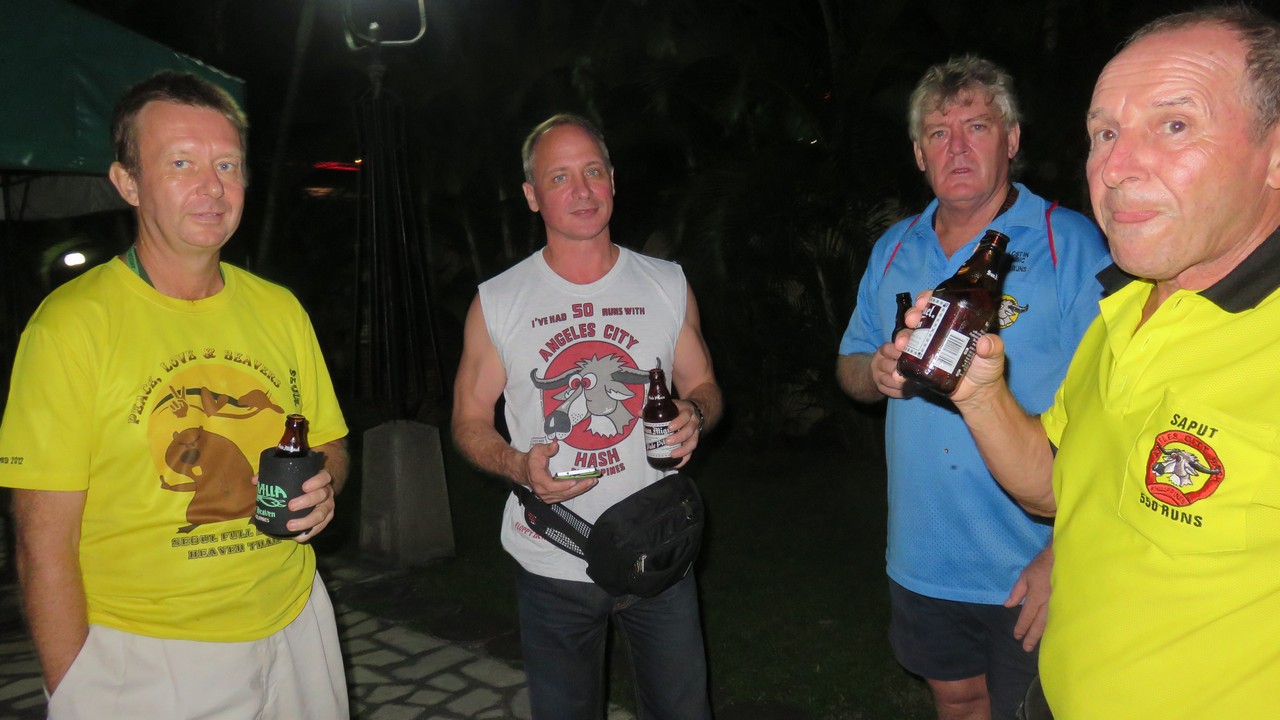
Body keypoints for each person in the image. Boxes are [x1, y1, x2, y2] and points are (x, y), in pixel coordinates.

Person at [921, 6, 1280, 719]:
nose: (1114, 169)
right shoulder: (1125, 305)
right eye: (1104, 134)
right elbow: (1057, 489)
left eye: (1174, 125)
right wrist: (979, 392)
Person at [0, 72, 349, 719]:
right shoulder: (70, 327)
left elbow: (328, 441)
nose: (212, 186)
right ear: (128, 182)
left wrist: (323, 483)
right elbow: (41, 544)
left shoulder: (280, 310)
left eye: (227, 164)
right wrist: (74, 693)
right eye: (181, 162)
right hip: (148, 656)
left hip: (298, 622)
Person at [836, 56, 1110, 720]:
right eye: (938, 132)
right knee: (956, 701)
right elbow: (849, 364)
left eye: (977, 127)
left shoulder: (1073, 244)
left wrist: (1067, 551)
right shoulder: (893, 247)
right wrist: (875, 373)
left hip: (1029, 556)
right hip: (923, 553)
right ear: (918, 154)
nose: (956, 147)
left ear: (1011, 140)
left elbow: (1118, 410)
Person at [451, 113, 721, 719]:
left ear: (613, 181)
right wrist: (517, 465)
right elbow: (468, 420)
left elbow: (704, 384)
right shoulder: (499, 301)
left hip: (659, 548)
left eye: (593, 171)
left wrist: (695, 414)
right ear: (532, 196)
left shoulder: (666, 283)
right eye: (560, 177)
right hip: (554, 558)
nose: (581, 189)